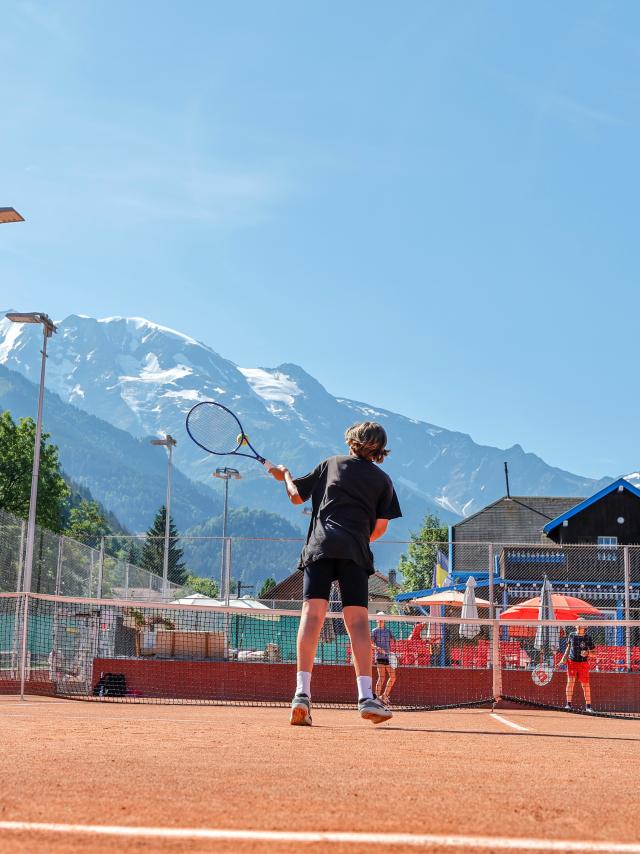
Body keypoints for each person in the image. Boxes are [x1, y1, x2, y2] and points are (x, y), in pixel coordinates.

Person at [265, 421, 402, 726]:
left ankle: (301, 695)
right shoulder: (383, 480)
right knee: (357, 623)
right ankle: (366, 697)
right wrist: (354, 539)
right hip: (355, 551)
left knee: (312, 615)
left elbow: (296, 497)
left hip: (321, 548)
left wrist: (284, 474)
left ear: (351, 440)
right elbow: (379, 529)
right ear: (380, 449)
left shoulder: (331, 464)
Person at [558, 619, 595, 713]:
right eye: (578, 624)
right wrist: (563, 658)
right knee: (570, 683)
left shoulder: (588, 637)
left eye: (582, 624)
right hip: (572, 662)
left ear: (585, 627)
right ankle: (568, 705)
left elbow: (594, 653)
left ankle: (588, 707)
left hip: (583, 663)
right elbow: (568, 648)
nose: (579, 625)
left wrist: (587, 653)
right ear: (576, 625)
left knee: (585, 685)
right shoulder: (571, 635)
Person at [371, 613, 397, 705]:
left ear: (385, 620)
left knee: (393, 677)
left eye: (382, 619)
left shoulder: (388, 631)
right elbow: (370, 644)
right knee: (382, 678)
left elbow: (393, 640)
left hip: (388, 657)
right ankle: (376, 698)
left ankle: (384, 695)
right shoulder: (374, 631)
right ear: (376, 620)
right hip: (380, 657)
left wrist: (393, 641)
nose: (381, 620)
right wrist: (377, 648)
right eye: (379, 619)